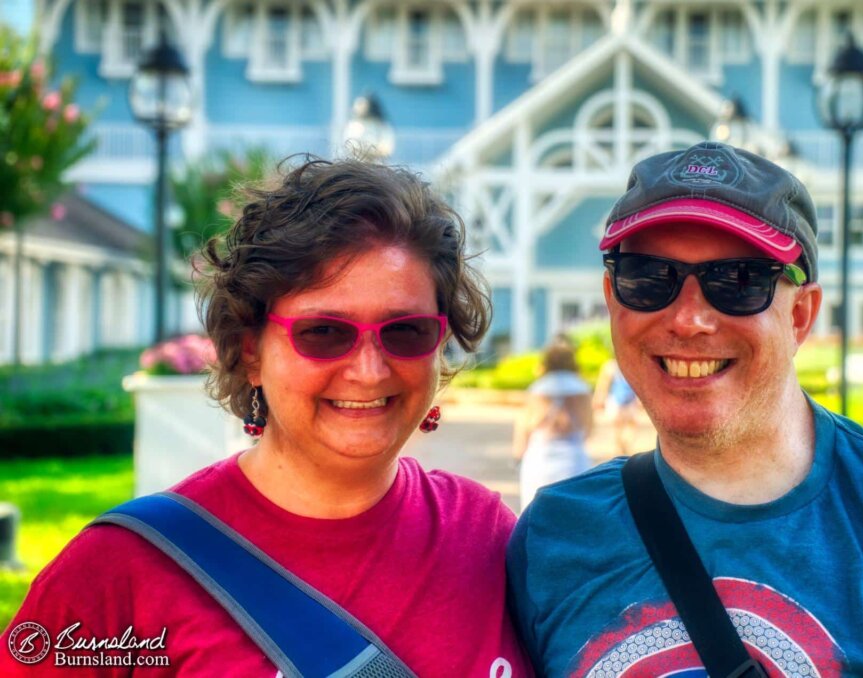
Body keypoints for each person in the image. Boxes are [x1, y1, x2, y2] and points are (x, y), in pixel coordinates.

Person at [506, 141, 863, 675]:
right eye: (648, 278)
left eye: (738, 282)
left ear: (801, 315)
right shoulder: (553, 538)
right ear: (613, 300)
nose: (688, 320)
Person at [2, 158, 532, 676]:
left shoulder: (487, 535)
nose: (370, 372)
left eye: (406, 331)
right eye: (324, 332)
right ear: (250, 350)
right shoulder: (118, 575)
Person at [513, 339, 593, 509]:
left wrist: (518, 456)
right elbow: (589, 427)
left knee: (536, 511)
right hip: (574, 458)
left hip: (540, 457)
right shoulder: (581, 388)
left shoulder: (539, 387)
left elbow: (524, 427)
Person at [592, 357, 643, 456]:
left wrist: (598, 398)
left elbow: (603, 384)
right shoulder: (632, 364)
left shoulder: (610, 366)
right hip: (630, 400)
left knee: (618, 426)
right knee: (631, 425)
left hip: (615, 400)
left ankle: (620, 447)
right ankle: (626, 445)